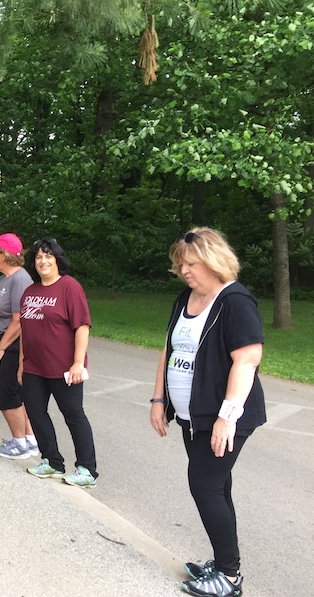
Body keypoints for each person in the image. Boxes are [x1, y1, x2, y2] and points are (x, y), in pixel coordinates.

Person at [150, 228, 265, 597]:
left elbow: (247, 361)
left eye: (191, 263)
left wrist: (226, 417)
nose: (184, 270)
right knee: (217, 487)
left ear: (214, 261)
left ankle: (229, 577)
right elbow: (168, 350)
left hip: (224, 417)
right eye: (180, 264)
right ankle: (224, 561)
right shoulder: (184, 298)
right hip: (193, 417)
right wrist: (158, 400)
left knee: (206, 486)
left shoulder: (235, 301)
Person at [18, 237, 97, 488]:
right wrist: (21, 364)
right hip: (34, 367)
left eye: (48, 256)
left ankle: (87, 469)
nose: (43, 261)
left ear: (57, 259)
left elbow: (82, 326)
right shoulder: (30, 292)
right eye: (39, 257)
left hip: (64, 367)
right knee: (35, 412)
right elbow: (25, 331)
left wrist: (78, 363)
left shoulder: (69, 287)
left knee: (73, 415)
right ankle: (52, 461)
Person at [0, 233, 38, 459]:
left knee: (7, 393)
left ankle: (19, 443)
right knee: (14, 393)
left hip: (13, 343)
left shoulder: (20, 280)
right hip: (1, 339)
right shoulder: (3, 280)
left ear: (4, 254)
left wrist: (1, 348)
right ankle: (30, 440)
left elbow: (19, 319)